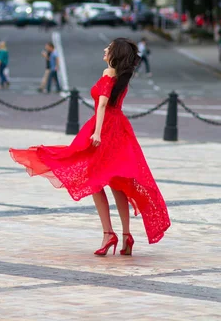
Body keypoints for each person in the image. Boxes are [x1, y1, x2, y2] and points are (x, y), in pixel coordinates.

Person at [10, 38, 170, 256]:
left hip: (103, 129)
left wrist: (96, 131)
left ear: (115, 54)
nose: (105, 50)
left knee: (95, 180)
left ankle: (108, 234)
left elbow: (103, 103)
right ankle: (125, 236)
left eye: (109, 48)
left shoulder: (108, 73)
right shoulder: (123, 76)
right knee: (117, 183)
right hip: (120, 129)